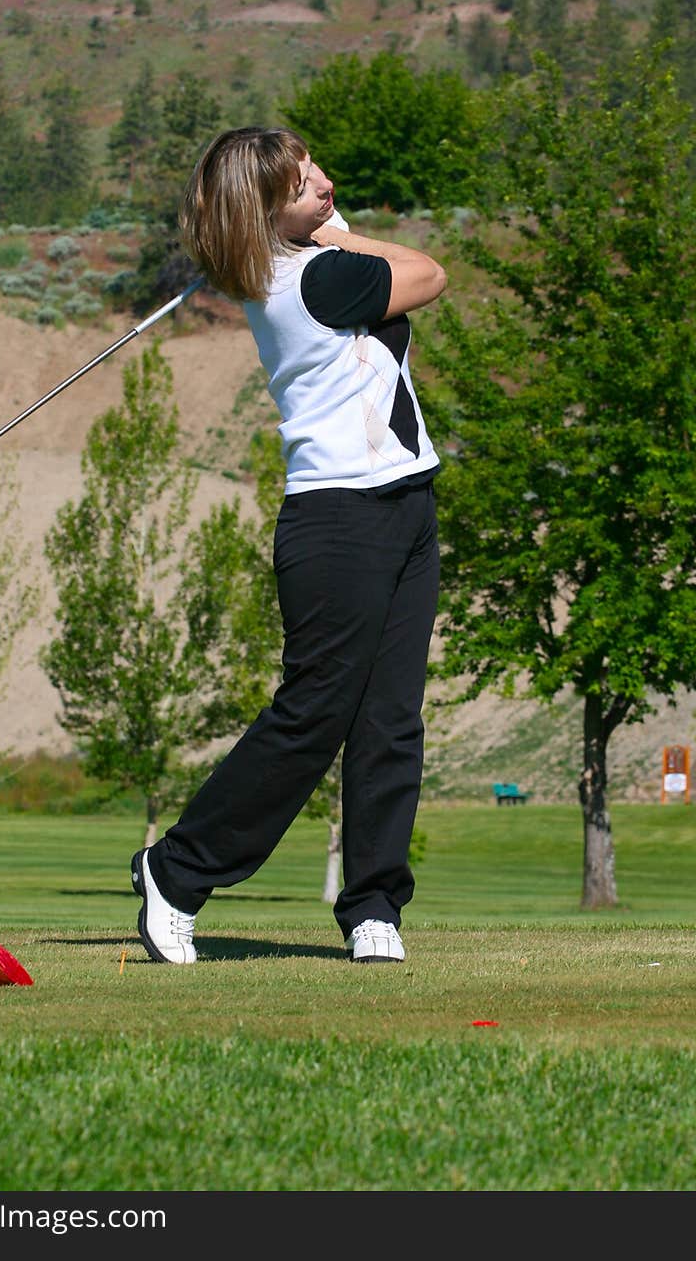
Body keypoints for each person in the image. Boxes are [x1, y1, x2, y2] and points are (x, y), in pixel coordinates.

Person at [131, 125, 447, 964]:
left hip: (406, 500)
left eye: (319, 171)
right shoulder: (317, 278)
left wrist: (317, 224)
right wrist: (335, 234)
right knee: (314, 714)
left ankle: (375, 903)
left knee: (390, 719)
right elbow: (429, 274)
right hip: (341, 519)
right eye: (308, 185)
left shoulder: (298, 264)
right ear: (268, 211)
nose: (328, 187)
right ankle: (178, 869)